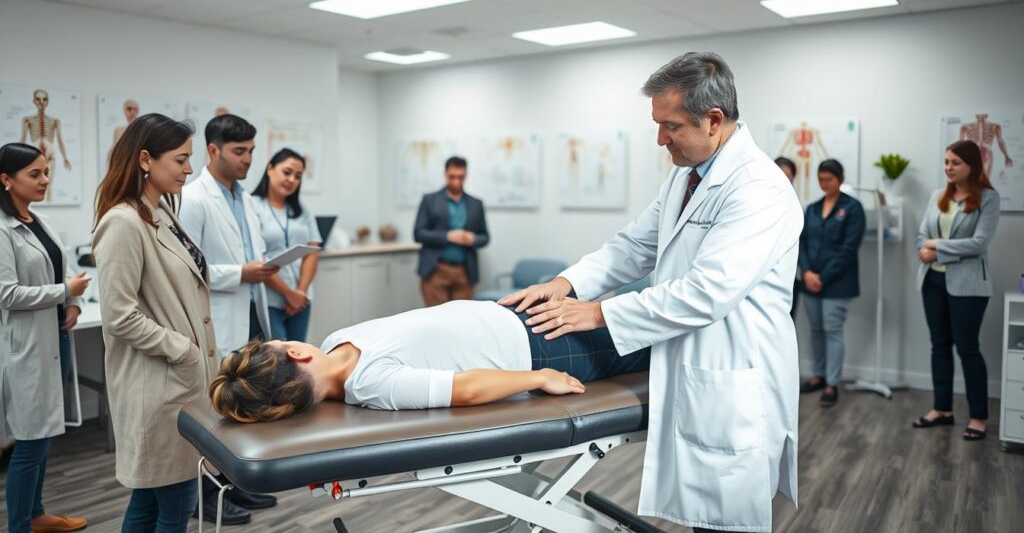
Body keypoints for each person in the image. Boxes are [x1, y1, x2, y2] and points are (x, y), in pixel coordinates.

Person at [500, 52, 803, 532]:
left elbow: (707, 293)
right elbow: (634, 245)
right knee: (705, 515)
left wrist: (599, 313)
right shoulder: (686, 174)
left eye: (671, 126)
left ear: (714, 120)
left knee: (726, 519)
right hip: (692, 360)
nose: (661, 138)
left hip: (734, 370)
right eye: (657, 124)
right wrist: (564, 283)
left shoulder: (758, 188)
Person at [208, 300, 650, 421]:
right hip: (542, 348)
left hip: (519, 317)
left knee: (647, 319)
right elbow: (466, 388)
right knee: (656, 340)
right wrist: (540, 376)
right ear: (297, 352)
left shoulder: (337, 340)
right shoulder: (371, 385)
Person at [92, 114, 219, 533]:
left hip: (176, 383)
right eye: (181, 160)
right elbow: (119, 315)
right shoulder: (123, 223)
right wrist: (183, 350)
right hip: (158, 384)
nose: (188, 169)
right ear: (146, 159)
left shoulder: (159, 210)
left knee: (150, 501)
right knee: (174, 503)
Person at [177, 113, 278, 523]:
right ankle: (206, 494)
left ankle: (237, 485)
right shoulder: (195, 198)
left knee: (242, 407)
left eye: (252, 151)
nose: (248, 159)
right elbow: (186, 266)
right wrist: (241, 273)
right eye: (240, 151)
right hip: (217, 317)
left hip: (251, 310)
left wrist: (259, 269)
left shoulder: (245, 198)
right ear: (213, 149)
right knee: (212, 411)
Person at [1, 142, 90, 533]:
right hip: (28, 348)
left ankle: (36, 515)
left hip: (58, 338)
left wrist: (72, 303)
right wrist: (63, 290)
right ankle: (20, 524)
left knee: (45, 436)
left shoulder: (39, 220)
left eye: (46, 172)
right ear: (6, 180)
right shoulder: (3, 229)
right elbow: (8, 295)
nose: (45, 181)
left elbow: (60, 271)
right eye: (34, 174)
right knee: (30, 443)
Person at [912, 140, 999, 441]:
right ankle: (942, 409)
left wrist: (938, 250)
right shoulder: (938, 196)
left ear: (972, 166)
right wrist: (929, 248)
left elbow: (979, 243)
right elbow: (922, 235)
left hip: (968, 286)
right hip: (932, 282)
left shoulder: (988, 198)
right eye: (946, 161)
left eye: (955, 162)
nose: (948, 167)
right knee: (939, 346)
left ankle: (978, 416)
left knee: (968, 348)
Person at [797, 159, 866, 407]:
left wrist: (822, 277)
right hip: (810, 280)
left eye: (829, 179)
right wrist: (806, 272)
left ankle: (832, 383)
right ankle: (818, 375)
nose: (824, 184)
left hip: (836, 283)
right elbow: (802, 242)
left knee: (832, 330)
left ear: (840, 178)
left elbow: (848, 249)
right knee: (816, 330)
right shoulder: (813, 208)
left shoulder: (853, 208)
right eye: (821, 179)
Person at [251, 148, 322, 342]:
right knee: (277, 361)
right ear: (270, 169)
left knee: (298, 359)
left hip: (301, 299)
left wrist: (300, 292)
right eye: (287, 172)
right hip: (269, 299)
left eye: (298, 176)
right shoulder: (252, 205)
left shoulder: (302, 209)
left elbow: (312, 251)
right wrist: (287, 293)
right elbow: (256, 258)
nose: (292, 180)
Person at [413, 156, 490, 306]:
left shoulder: (476, 204)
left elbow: (485, 237)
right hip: (435, 271)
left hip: (465, 273)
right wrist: (448, 236)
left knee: (461, 323)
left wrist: (473, 239)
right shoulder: (429, 200)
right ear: (445, 174)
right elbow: (418, 233)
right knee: (436, 321)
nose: (456, 181)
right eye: (452, 177)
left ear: (466, 175)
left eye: (460, 177)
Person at [775, 156, 800, 320]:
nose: (784, 179)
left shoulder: (795, 204)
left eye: (788, 176)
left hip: (789, 276)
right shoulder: (756, 199)